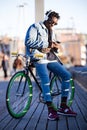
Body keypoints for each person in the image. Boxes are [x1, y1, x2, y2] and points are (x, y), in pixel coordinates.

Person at [25, 10, 77, 120]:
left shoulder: (52, 31)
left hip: (50, 57)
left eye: (55, 23)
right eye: (51, 22)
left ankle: (63, 106)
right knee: (45, 81)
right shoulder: (35, 27)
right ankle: (51, 110)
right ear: (46, 18)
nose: (53, 24)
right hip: (39, 57)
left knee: (66, 75)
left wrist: (55, 47)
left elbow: (52, 46)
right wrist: (47, 43)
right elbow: (28, 41)